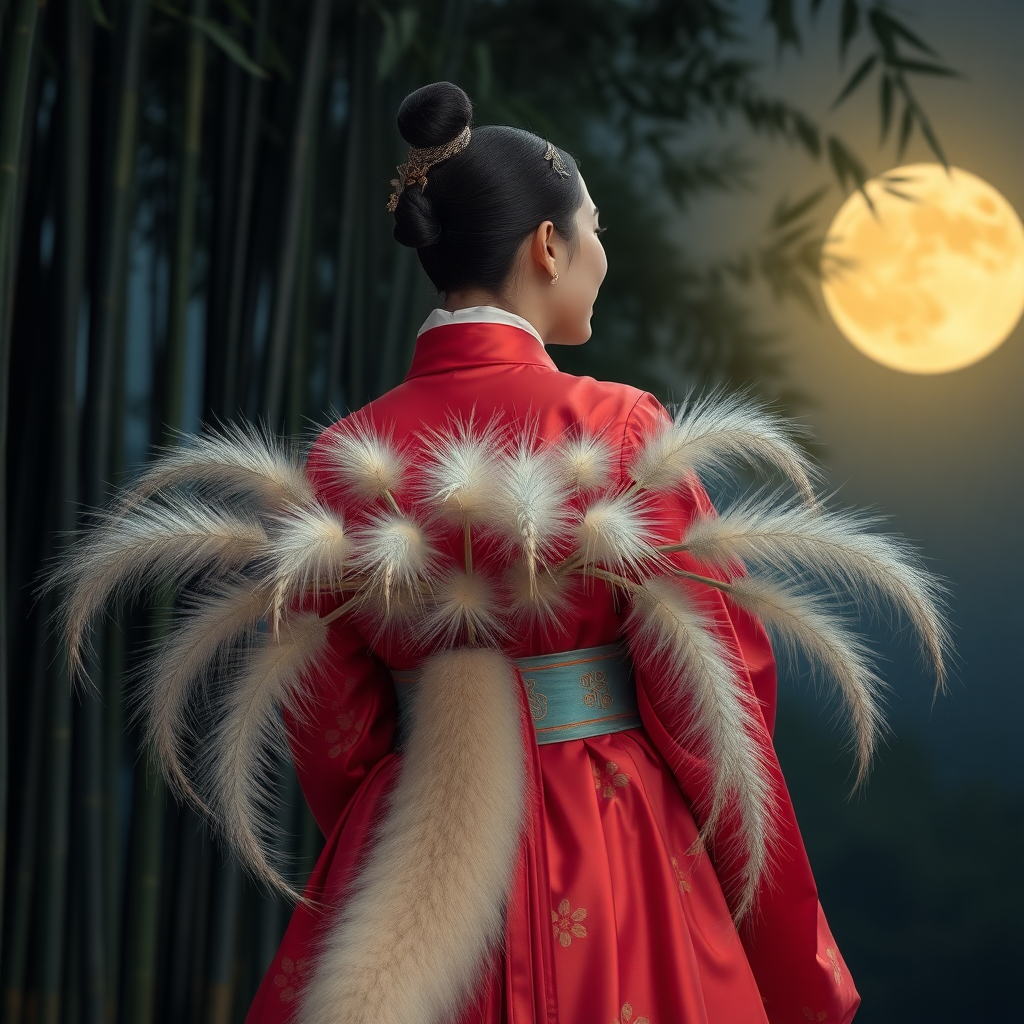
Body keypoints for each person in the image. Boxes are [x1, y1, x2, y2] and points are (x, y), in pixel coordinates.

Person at [240, 82, 868, 1024]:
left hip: (417, 863)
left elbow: (330, 725)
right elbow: (715, 699)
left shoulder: (340, 458)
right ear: (546, 246)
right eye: (595, 230)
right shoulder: (617, 428)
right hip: (614, 846)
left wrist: (396, 818)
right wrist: (788, 952)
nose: (602, 256)